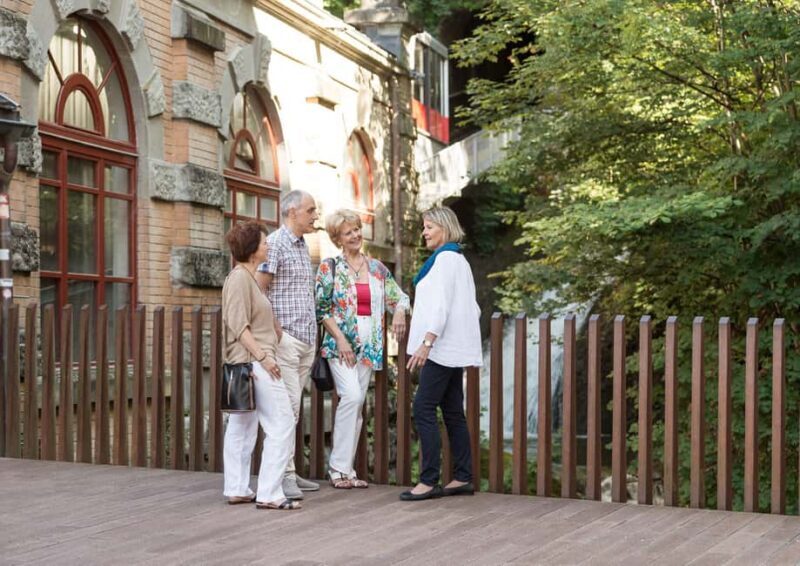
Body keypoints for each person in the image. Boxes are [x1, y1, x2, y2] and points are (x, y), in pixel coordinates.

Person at [315, 209, 410, 489]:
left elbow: (399, 297)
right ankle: (338, 468)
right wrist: (341, 339)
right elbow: (321, 309)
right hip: (340, 346)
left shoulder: (377, 269)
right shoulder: (329, 267)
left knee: (355, 408)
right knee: (353, 397)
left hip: (369, 347)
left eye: (357, 229)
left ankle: (347, 471)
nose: (355, 235)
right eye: (348, 232)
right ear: (338, 239)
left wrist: (401, 312)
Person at [400, 206, 482, 501]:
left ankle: (428, 480)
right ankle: (462, 476)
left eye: (429, 227)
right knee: (452, 412)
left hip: (441, 348)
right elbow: (472, 308)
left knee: (422, 408)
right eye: (424, 227)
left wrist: (427, 342)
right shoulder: (458, 260)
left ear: (444, 229)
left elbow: (442, 306)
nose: (424, 232)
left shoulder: (446, 260)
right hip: (452, 347)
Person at [222, 221, 300, 510]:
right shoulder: (240, 279)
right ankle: (269, 491)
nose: (268, 246)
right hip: (255, 363)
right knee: (282, 423)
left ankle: (238, 488)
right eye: (265, 243)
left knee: (242, 427)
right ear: (253, 250)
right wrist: (264, 358)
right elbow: (238, 325)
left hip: (249, 363)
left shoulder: (249, 278)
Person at [255, 190, 321, 499]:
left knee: (293, 410)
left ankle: (290, 470)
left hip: (306, 340)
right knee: (287, 410)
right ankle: (285, 475)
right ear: (292, 211)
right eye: (310, 210)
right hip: (288, 341)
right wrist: (277, 330)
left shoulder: (302, 244)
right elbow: (259, 288)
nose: (315, 215)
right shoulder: (277, 243)